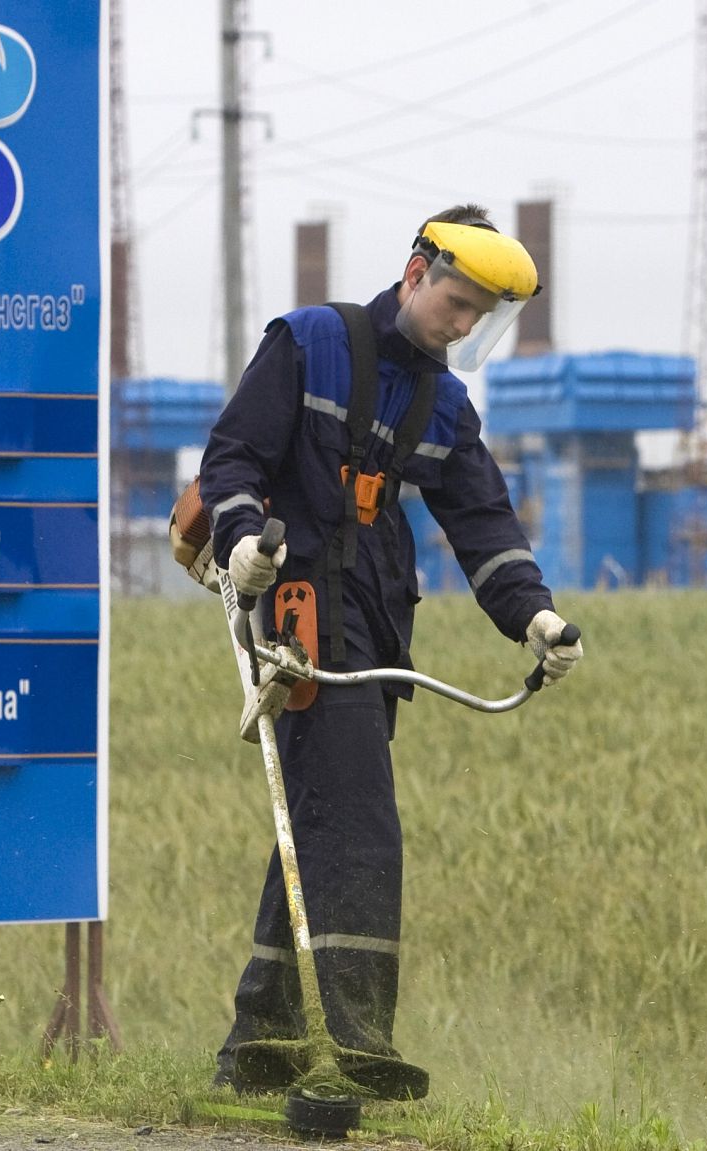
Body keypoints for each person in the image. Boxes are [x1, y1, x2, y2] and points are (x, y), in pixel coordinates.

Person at [199, 203, 585, 1096]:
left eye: (481, 316)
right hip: (294, 603)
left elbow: (482, 521)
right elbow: (232, 458)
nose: (463, 325)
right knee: (361, 818)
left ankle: (261, 1045)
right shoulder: (309, 343)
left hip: (377, 617)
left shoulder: (446, 403)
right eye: (457, 304)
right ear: (417, 275)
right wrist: (247, 538)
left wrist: (535, 617)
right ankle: (360, 1039)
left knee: (319, 810)